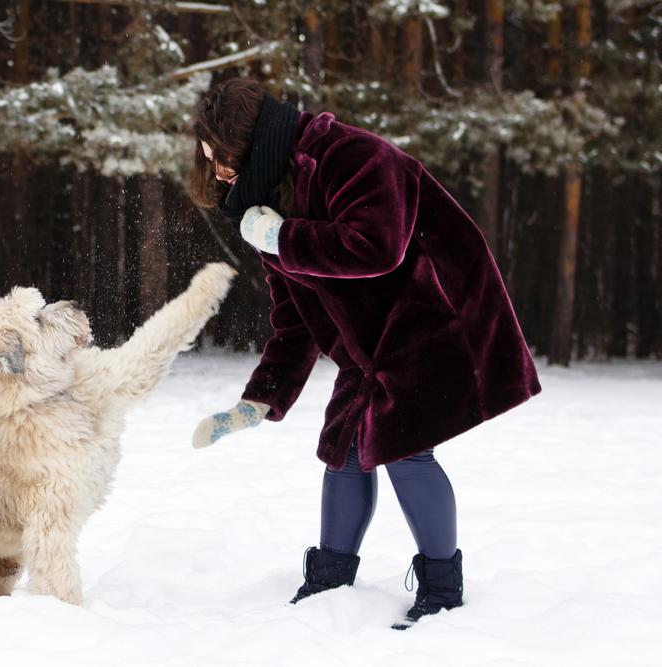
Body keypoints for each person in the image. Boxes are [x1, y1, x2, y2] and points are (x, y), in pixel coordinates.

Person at [189, 78, 541, 630]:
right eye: (212, 163)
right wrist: (260, 400)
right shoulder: (271, 200)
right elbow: (294, 320)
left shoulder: (352, 155)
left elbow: (376, 247)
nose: (220, 173)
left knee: (403, 446)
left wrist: (283, 238)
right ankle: (330, 580)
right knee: (344, 449)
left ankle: (442, 589)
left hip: (437, 316)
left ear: (253, 140)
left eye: (224, 159)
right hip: (371, 345)